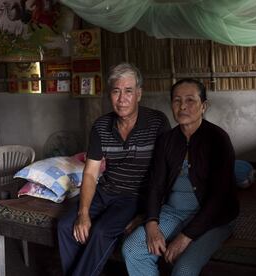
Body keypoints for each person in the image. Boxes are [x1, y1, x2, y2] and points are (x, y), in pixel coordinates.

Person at [57, 62, 170, 276]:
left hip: (135, 196)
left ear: (139, 93)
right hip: (106, 191)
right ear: (110, 95)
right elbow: (90, 173)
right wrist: (83, 213)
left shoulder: (157, 122)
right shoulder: (101, 126)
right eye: (116, 91)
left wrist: (147, 214)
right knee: (65, 225)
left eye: (128, 91)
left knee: (100, 231)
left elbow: (165, 172)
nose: (122, 99)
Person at [122, 78, 239, 276]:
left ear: (203, 106)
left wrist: (185, 237)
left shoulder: (218, 139)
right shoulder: (166, 140)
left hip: (212, 217)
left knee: (184, 269)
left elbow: (219, 198)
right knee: (133, 250)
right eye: (177, 100)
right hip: (172, 212)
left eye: (190, 100)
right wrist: (151, 223)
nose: (183, 106)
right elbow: (156, 185)